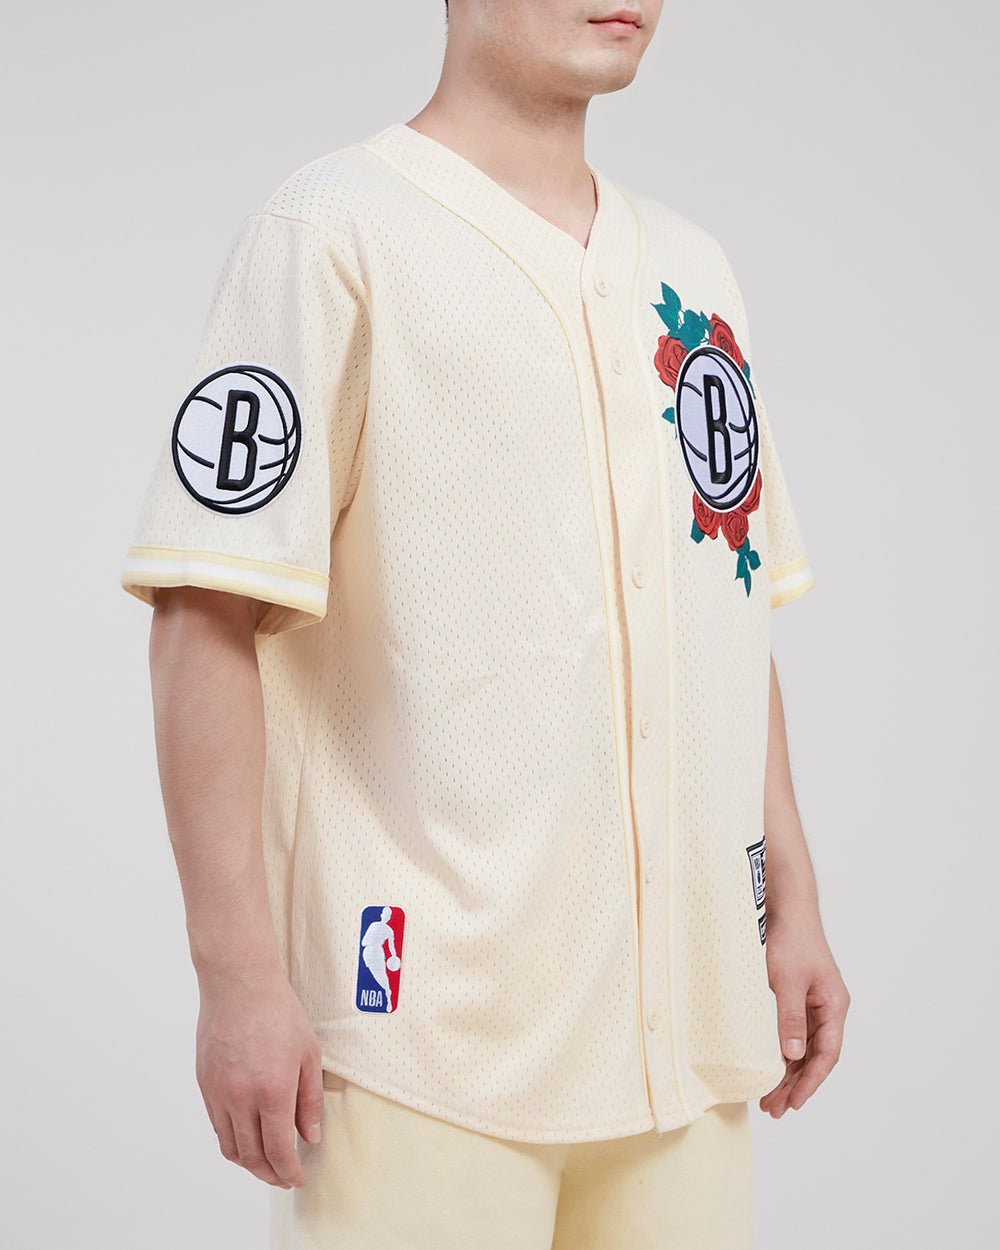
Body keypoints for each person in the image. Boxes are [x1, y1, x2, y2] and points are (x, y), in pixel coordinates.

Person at [122, 2, 850, 1246]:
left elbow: (724, 616)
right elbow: (206, 606)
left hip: (684, 1032)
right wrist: (235, 972)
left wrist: (792, 902)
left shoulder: (692, 272)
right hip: (424, 1033)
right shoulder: (332, 232)